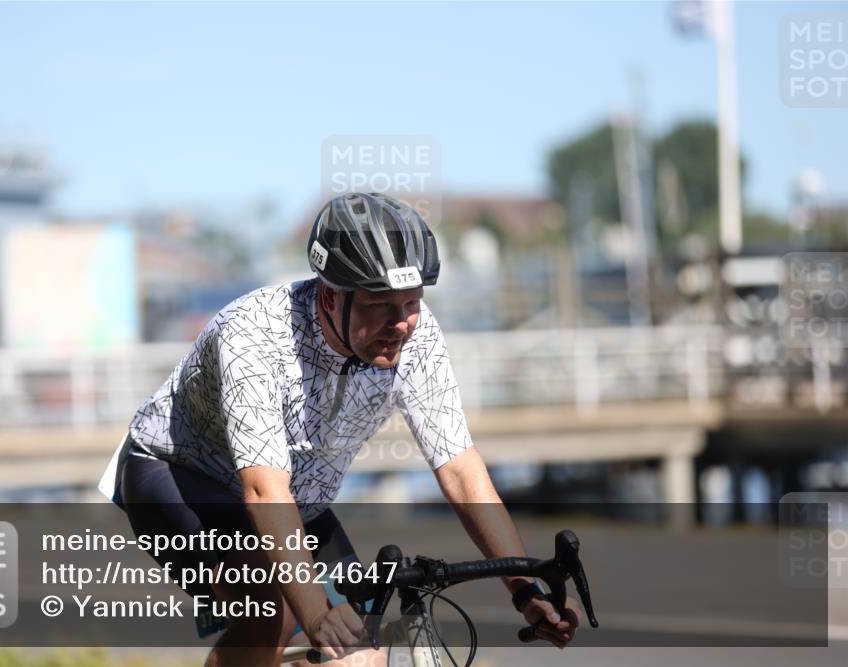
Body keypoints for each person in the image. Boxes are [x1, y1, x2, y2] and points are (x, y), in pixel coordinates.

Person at [99, 192, 581, 666]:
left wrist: (526, 590)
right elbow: (265, 490)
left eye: (412, 302)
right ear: (331, 296)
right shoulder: (252, 336)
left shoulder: (417, 335)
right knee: (273, 612)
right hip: (181, 476)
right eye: (381, 304)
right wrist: (312, 612)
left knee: (362, 642)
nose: (401, 324)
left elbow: (460, 469)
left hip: (299, 501)